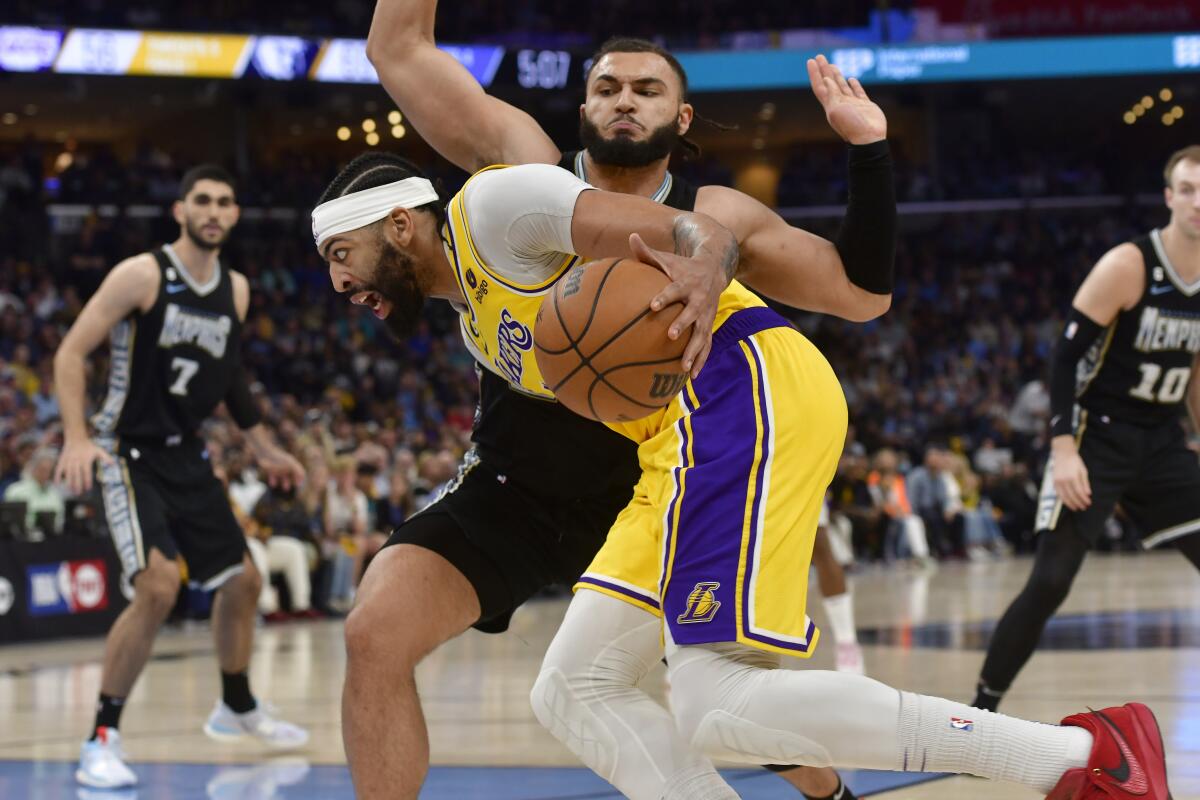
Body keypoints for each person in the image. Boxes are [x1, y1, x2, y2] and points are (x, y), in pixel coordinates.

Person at [362, 3, 896, 796]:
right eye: (607, 86)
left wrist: (869, 150)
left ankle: (832, 794)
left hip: (655, 484)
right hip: (518, 476)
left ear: (679, 117)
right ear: (583, 109)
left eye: (646, 90)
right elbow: (396, 46)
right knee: (374, 629)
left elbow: (859, 293)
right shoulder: (527, 166)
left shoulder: (720, 213)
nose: (623, 100)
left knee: (718, 696)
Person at [53, 164, 310, 790]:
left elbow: (230, 381)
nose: (214, 210)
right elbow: (69, 352)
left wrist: (266, 449)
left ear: (236, 215)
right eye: (202, 200)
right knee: (159, 586)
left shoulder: (238, 290)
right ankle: (101, 740)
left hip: (184, 452)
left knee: (244, 582)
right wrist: (77, 437)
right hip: (124, 450)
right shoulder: (141, 274)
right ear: (180, 211)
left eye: (225, 201)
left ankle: (236, 704)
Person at [974, 144, 1200, 712]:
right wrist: (1064, 449)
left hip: (1162, 442)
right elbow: (1064, 359)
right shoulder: (1130, 263)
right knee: (1051, 581)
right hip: (1096, 438)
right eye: (1189, 189)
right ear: (1170, 196)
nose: (1198, 202)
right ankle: (979, 711)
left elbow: (1196, 369)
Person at [3, 446, 64, 535]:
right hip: (22, 541)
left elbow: (60, 520)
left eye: (50, 470)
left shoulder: (55, 493)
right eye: (43, 469)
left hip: (51, 540)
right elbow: (9, 521)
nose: (46, 474)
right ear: (33, 468)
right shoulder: (16, 490)